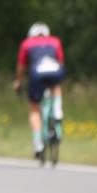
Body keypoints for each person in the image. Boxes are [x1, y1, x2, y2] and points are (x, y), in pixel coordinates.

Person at [13, 22, 65, 160]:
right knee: (56, 86)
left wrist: (18, 81)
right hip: (55, 70)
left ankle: (38, 145)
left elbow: (21, 66)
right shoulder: (55, 41)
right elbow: (60, 62)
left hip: (37, 73)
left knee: (34, 109)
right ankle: (58, 110)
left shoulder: (27, 43)